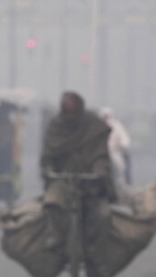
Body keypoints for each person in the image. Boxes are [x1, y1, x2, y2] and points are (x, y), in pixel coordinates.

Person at [40, 91, 115, 248]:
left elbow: (100, 154)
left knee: (104, 215)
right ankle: (56, 234)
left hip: (90, 181)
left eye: (74, 112)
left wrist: (99, 170)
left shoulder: (94, 126)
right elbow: (47, 153)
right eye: (68, 113)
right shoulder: (55, 126)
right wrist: (47, 169)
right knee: (52, 201)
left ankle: (96, 246)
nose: (71, 116)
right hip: (62, 178)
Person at [100, 106, 132, 192]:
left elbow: (123, 137)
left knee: (120, 166)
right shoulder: (97, 127)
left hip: (114, 152)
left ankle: (122, 185)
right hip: (99, 154)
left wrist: (124, 145)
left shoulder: (117, 126)